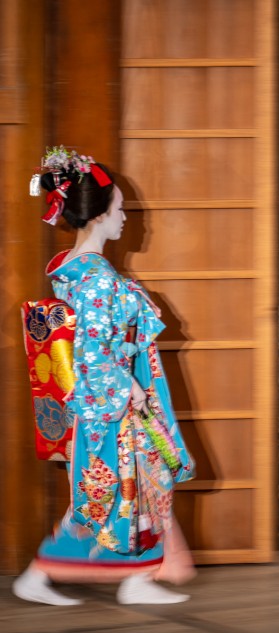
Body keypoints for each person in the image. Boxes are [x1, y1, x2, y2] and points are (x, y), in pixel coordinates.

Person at [13, 147, 195, 606]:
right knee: (110, 492)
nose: (127, 219)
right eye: (119, 209)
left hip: (99, 402)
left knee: (118, 491)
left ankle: (134, 579)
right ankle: (45, 573)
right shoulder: (95, 277)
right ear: (96, 215)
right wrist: (129, 386)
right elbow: (92, 351)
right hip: (111, 402)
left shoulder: (71, 268)